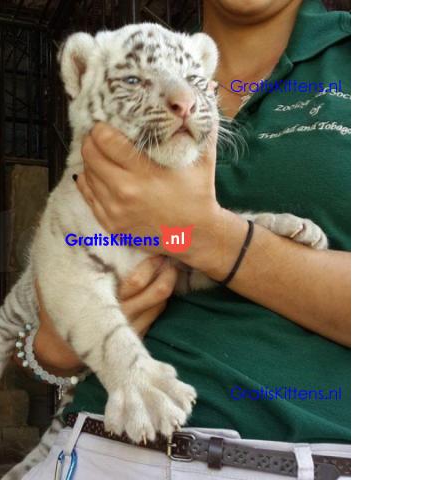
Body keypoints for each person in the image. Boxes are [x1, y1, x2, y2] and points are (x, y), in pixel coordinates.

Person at [22, 0, 351, 478]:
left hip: (308, 458)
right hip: (99, 446)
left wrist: (216, 238)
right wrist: (54, 346)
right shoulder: (129, 57)